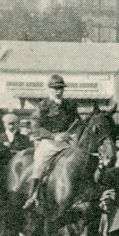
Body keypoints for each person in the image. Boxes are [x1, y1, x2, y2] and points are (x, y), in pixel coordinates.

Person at [23, 74, 81, 210]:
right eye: (55, 88)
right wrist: (53, 136)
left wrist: (75, 133)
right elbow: (35, 127)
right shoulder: (42, 106)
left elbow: (78, 122)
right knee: (40, 162)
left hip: (68, 141)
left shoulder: (70, 105)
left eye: (61, 88)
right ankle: (33, 196)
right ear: (49, 89)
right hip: (50, 142)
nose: (58, 91)